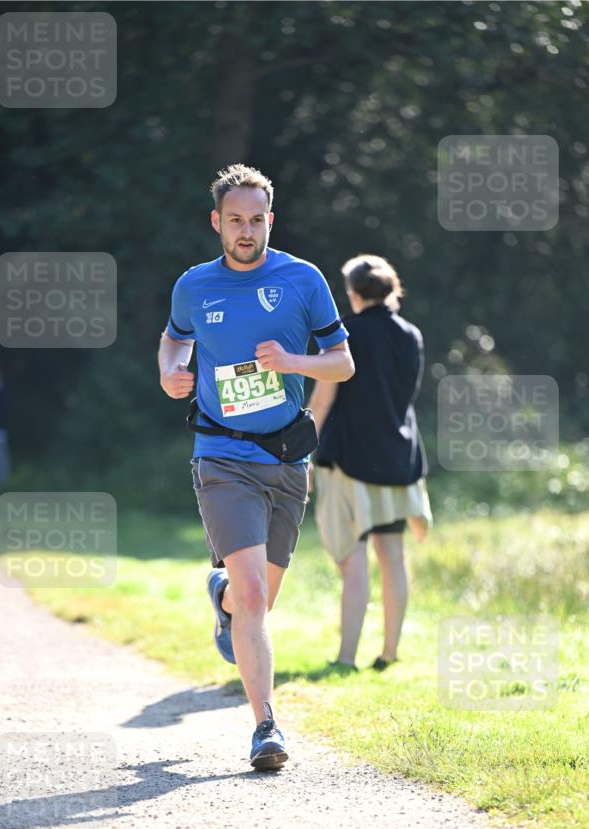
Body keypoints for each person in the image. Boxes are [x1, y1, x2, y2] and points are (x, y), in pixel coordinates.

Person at [158, 164, 354, 770]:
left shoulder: (302, 279)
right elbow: (174, 339)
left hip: (286, 457)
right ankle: (266, 726)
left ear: (271, 220)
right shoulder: (194, 285)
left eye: (256, 220)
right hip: (221, 455)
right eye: (235, 220)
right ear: (217, 222)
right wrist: (170, 373)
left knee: (258, 600)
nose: (246, 231)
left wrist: (294, 361)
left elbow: (342, 362)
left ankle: (222, 598)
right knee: (252, 592)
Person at [309, 254, 432, 670]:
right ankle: (389, 653)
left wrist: (303, 452)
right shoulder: (411, 335)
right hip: (398, 459)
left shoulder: (345, 335)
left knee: (352, 558)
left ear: (353, 293)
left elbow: (323, 400)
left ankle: (346, 658)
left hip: (350, 459)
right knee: (393, 557)